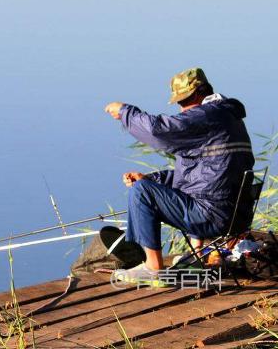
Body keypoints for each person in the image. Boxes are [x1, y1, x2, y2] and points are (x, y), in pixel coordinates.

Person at [104, 67, 254, 282]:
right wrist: (151, 179)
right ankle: (196, 252)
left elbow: (159, 130)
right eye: (179, 103)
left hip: (211, 216)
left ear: (200, 93)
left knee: (141, 192)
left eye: (184, 101)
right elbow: (200, 174)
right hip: (234, 216)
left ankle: (153, 268)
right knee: (145, 186)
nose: (182, 109)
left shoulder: (207, 115)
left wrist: (126, 112)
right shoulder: (228, 118)